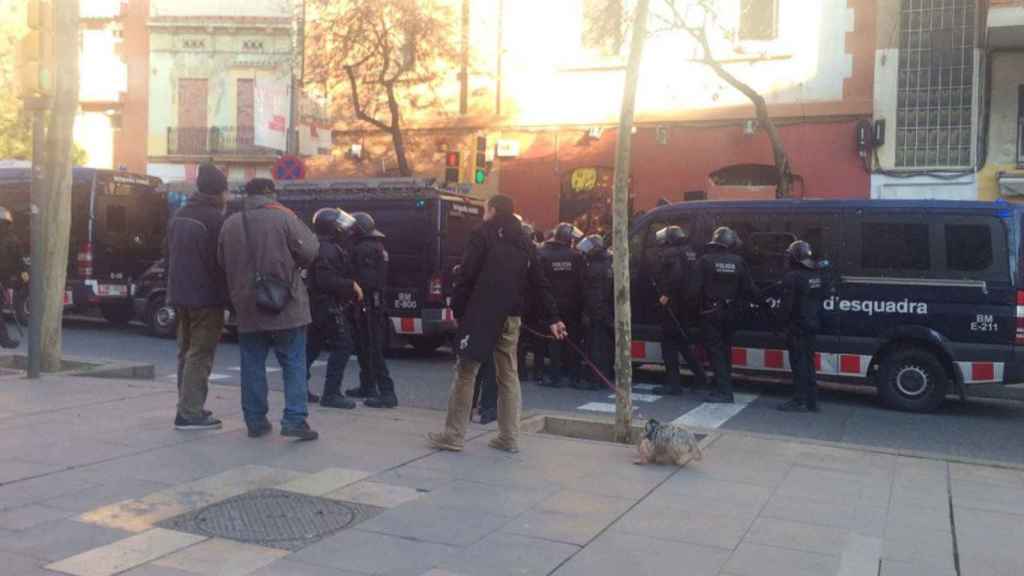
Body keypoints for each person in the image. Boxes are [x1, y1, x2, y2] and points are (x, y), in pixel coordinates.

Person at [428, 194, 565, 454]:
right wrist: (554, 318)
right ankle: (509, 437)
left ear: (491, 210)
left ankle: (454, 434)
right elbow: (539, 281)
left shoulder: (482, 233)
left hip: (481, 311)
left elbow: (467, 274)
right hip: (511, 314)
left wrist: (458, 309)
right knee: (508, 374)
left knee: (466, 371)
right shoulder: (525, 240)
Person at [218, 178, 320, 441]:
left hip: (247, 306)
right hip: (286, 304)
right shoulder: (284, 218)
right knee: (293, 363)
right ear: (270, 193)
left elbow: (221, 261)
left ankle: (255, 421)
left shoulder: (230, 223)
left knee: (252, 364)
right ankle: (295, 420)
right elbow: (310, 251)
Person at [166, 163, 229, 430]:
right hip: (206, 297)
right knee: (200, 354)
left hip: (179, 293)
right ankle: (190, 413)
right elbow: (221, 262)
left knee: (186, 351)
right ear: (219, 192)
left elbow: (167, 253)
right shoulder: (215, 220)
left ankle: (187, 406)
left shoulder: (179, 215)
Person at [306, 208, 363, 410]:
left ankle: (298, 387)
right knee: (343, 345)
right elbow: (325, 280)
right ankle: (331, 393)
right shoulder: (327, 249)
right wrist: (350, 285)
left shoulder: (321, 246)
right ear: (333, 228)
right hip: (326, 306)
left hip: (317, 306)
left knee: (312, 346)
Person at [697, 226, 761, 404]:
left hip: (711, 312)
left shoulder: (705, 261)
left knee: (716, 352)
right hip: (731, 313)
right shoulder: (738, 261)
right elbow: (749, 288)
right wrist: (763, 298)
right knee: (725, 350)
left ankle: (724, 391)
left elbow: (692, 290)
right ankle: (723, 385)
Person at [346, 212, 397, 409]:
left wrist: (348, 282)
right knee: (364, 346)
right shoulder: (376, 246)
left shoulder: (364, 248)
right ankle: (367, 386)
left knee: (372, 348)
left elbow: (366, 281)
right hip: (372, 304)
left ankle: (387, 392)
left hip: (368, 304)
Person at [653, 225, 707, 396]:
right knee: (683, 343)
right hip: (686, 305)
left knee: (668, 345)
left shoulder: (671, 253)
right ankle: (701, 377)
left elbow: (675, 275)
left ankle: (673, 385)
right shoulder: (690, 252)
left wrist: (666, 295)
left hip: (672, 306)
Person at [777, 240, 825, 413]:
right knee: (809, 363)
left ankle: (799, 401)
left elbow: (787, 306)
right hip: (812, 324)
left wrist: (781, 324)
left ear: (794, 257)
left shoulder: (792, 277)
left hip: (797, 326)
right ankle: (813, 401)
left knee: (798, 364)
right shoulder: (816, 275)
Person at [537, 222, 584, 388]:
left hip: (551, 305)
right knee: (573, 340)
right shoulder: (576, 256)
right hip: (572, 305)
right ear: (568, 239)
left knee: (553, 341)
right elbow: (581, 282)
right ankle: (573, 376)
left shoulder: (541, 254)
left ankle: (554, 376)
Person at [578, 234, 613, 389]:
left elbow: (592, 293)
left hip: (596, 310)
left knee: (595, 345)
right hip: (605, 310)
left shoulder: (593, 267)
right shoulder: (608, 262)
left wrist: (588, 312)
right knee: (604, 344)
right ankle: (604, 376)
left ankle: (595, 380)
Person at [0, 207, 22, 349]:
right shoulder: (11, 240)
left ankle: (4, 339)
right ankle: (4, 339)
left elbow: (17, 260)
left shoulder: (12, 240)